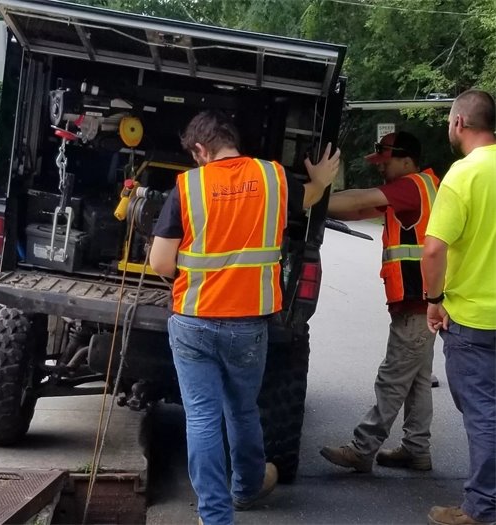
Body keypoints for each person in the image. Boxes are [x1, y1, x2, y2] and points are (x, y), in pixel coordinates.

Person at [149, 109, 340, 525]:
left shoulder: (187, 186)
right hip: (249, 326)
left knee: (201, 416)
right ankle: (249, 488)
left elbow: (162, 263)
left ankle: (215, 517)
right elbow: (308, 197)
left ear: (200, 149)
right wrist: (322, 179)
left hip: (194, 322)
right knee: (242, 410)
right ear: (232, 141)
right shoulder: (272, 178)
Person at [319, 131, 440, 473]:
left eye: (385, 163)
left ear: (406, 160)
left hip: (418, 301)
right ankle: (416, 449)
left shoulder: (410, 186)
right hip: (422, 301)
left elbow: (357, 201)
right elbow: (358, 210)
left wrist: (307, 196)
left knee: (393, 377)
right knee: (417, 378)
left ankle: (362, 448)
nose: (381, 169)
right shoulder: (421, 187)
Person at [422, 89, 496, 525]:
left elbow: (433, 250)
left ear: (459, 124)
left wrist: (433, 301)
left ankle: (482, 507)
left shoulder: (463, 175)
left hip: (473, 318)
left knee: (484, 413)